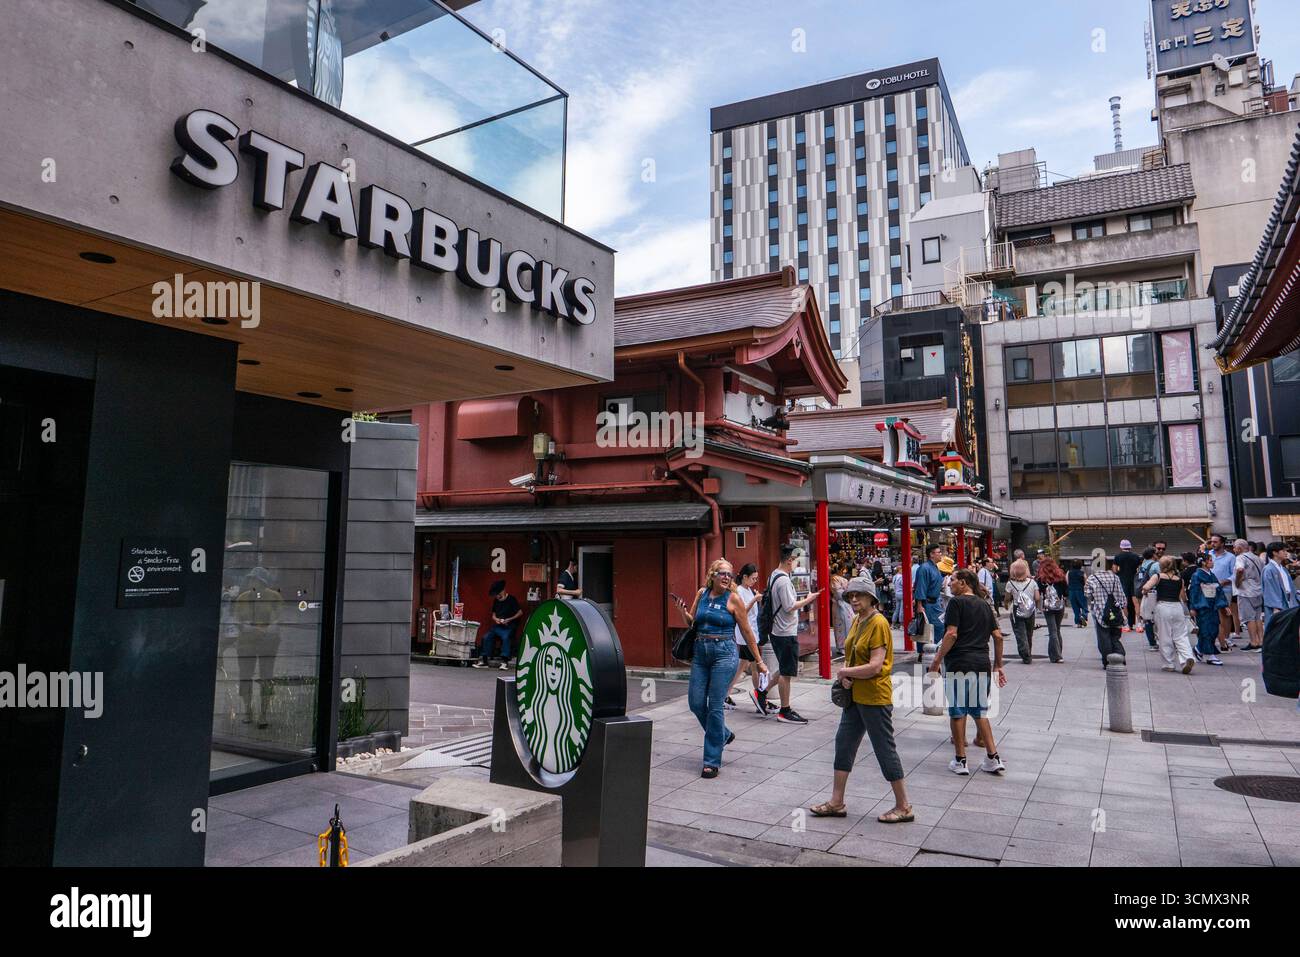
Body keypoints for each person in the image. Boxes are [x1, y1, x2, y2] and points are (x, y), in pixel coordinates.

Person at [809, 577, 913, 823]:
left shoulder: (878, 623)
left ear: (871, 597)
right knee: (843, 743)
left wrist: (846, 672)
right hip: (855, 697)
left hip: (874, 697)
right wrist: (847, 673)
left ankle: (904, 805)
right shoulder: (858, 620)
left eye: (859, 595)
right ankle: (836, 801)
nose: (854, 599)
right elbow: (852, 654)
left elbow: (876, 666)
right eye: (850, 595)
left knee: (884, 748)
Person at [679, 559, 766, 778]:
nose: (727, 577)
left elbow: (747, 632)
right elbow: (692, 622)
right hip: (700, 652)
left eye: (729, 574)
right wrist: (682, 612)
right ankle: (723, 734)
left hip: (724, 653)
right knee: (696, 702)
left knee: (715, 704)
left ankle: (711, 760)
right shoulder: (702, 594)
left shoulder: (734, 599)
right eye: (722, 574)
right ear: (713, 575)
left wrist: (759, 661)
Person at [931, 568, 1007, 776]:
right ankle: (993, 757)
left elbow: (951, 634)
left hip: (959, 662)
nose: (949, 584)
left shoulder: (956, 603)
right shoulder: (985, 605)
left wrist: (937, 660)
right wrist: (998, 665)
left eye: (953, 580)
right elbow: (998, 637)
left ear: (964, 582)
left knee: (957, 711)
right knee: (979, 711)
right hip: (981, 662)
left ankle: (960, 760)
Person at [765, 544, 821, 723]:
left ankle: (761, 692)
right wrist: (808, 599)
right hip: (785, 631)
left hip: (777, 629)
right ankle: (785, 710)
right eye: (796, 560)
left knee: (783, 667)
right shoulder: (783, 580)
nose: (797, 564)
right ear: (789, 560)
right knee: (787, 672)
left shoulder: (774, 575)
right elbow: (789, 606)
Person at [1142, 556, 1194, 674]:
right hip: (1177, 607)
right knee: (1181, 635)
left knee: (1165, 636)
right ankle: (1187, 658)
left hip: (1163, 607)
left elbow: (1145, 587)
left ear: (1161, 566)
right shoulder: (1179, 579)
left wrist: (1145, 593)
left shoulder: (1158, 576)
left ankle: (1169, 663)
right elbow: (1183, 597)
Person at [724, 563, 765, 711]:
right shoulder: (739, 591)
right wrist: (754, 600)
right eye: (753, 578)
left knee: (742, 666)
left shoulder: (749, 590)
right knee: (756, 666)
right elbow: (742, 613)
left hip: (751, 633)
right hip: (745, 635)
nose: (755, 581)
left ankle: (725, 693)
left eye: (756, 578)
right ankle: (760, 697)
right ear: (745, 577)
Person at [1085, 559, 1128, 669]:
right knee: (1115, 637)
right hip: (1116, 612)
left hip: (1101, 613)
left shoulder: (1092, 578)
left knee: (1104, 637)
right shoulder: (1115, 577)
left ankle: (1107, 662)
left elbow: (1087, 595)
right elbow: (1122, 597)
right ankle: (1120, 658)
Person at [475, 580, 522, 669]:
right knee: (486, 637)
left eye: (498, 594)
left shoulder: (512, 599)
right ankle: (484, 660)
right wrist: (496, 619)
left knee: (505, 637)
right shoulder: (496, 601)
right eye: (496, 595)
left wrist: (509, 619)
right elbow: (493, 615)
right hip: (498, 625)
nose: (497, 596)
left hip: (509, 626)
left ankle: (504, 661)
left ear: (503, 591)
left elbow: (520, 613)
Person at [1188, 551, 1225, 666]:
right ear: (1203, 563)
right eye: (1210, 560)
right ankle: (1210, 655)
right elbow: (1194, 591)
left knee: (1213, 628)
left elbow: (1218, 589)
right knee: (1206, 629)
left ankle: (1199, 649)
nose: (1212, 562)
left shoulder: (1211, 575)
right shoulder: (1197, 575)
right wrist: (1193, 606)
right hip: (1203, 605)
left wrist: (1224, 604)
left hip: (1212, 604)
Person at [1003, 559, 1040, 664]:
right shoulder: (1032, 582)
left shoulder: (1010, 583)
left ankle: (1025, 654)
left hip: (1017, 610)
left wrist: (1006, 605)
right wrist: (1036, 606)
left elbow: (1007, 598)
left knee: (1020, 633)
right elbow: (1037, 597)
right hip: (1030, 610)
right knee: (1029, 633)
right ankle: (1029, 653)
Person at [1234, 538, 1266, 653]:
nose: (1234, 550)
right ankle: (1261, 641)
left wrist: (1237, 582)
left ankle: (1254, 642)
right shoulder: (1257, 557)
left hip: (1246, 591)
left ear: (1239, 547)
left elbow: (1240, 569)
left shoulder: (1240, 558)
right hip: (1258, 590)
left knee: (1249, 618)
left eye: (1234, 547)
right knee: (1257, 617)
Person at [1035, 555, 1068, 663]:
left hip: (1048, 606)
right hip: (1059, 606)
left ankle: (1056, 656)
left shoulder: (1041, 579)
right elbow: (1066, 592)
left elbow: (1038, 593)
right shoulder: (1060, 576)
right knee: (1057, 630)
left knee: (1052, 631)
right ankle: (1057, 654)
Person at [1209, 534, 1238, 652]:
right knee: (1212, 613)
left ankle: (1226, 637)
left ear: (1222, 543)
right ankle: (1217, 637)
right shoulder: (1208, 554)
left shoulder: (1231, 557)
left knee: (1225, 613)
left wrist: (1226, 581)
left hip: (1225, 588)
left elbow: (1235, 573)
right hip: (1209, 588)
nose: (1213, 544)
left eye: (1215, 542)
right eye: (1212, 542)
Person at [914, 544, 946, 642]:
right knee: (928, 629)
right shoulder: (924, 568)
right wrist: (919, 605)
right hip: (927, 604)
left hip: (936, 603)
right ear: (931, 554)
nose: (941, 554)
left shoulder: (935, 567)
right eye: (939, 552)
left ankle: (935, 650)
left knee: (939, 627)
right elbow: (920, 587)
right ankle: (924, 653)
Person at [1263, 542, 1298, 628]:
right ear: (1275, 552)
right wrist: (1275, 607)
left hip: (1288, 600)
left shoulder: (1283, 568)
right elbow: (1269, 590)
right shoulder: (1268, 569)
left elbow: (1291, 587)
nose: (1286, 553)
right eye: (1283, 550)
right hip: (1279, 603)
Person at [1113, 539, 1143, 633]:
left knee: (1124, 603)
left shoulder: (1118, 556)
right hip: (1134, 581)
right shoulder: (1136, 556)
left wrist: (1119, 572)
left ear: (1121, 547)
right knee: (1136, 603)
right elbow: (1140, 569)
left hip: (1123, 581)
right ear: (1130, 547)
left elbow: (1114, 569)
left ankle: (1126, 625)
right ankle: (1139, 625)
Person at [1136, 547, 1161, 650]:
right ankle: (1159, 640)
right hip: (1154, 593)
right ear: (1153, 554)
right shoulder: (1155, 565)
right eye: (1156, 552)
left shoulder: (1143, 564)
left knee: (1148, 618)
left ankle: (1152, 643)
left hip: (1145, 593)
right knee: (1158, 617)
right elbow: (1161, 576)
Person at [1067, 559, 1088, 628]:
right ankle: (1083, 616)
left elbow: (1067, 582)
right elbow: (1086, 582)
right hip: (1080, 590)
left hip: (1071, 591)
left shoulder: (1068, 572)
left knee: (1075, 608)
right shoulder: (1082, 573)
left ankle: (1078, 623)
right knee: (1084, 605)